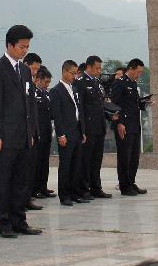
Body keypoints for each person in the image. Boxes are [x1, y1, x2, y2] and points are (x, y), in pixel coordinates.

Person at [0, 25, 41, 238]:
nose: (24, 50)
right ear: (9, 45)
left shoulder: (25, 71)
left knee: (21, 182)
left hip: (23, 137)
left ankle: (20, 221)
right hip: (4, 138)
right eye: (21, 46)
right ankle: (3, 223)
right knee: (2, 182)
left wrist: (32, 132)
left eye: (27, 47)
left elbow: (30, 104)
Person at [75, 55, 115, 199]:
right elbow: (80, 109)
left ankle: (96, 187)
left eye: (100, 68)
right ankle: (84, 189)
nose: (99, 71)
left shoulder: (97, 83)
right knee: (86, 160)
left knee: (96, 160)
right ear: (89, 67)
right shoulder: (80, 83)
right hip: (88, 128)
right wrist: (83, 130)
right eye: (97, 68)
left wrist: (110, 116)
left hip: (99, 127)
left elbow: (100, 106)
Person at [110, 58, 150, 196]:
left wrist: (145, 103)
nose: (139, 75)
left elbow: (134, 103)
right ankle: (124, 186)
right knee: (124, 157)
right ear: (131, 69)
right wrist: (119, 123)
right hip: (124, 125)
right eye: (138, 72)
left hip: (134, 125)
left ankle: (131, 182)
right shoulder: (119, 83)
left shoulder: (133, 84)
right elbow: (115, 105)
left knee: (134, 157)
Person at [49, 60, 86, 206]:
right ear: (64, 71)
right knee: (66, 166)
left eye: (76, 73)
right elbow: (57, 115)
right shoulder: (56, 91)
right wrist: (60, 134)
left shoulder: (75, 89)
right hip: (66, 133)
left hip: (77, 131)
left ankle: (74, 193)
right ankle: (64, 195)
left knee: (76, 165)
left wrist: (82, 130)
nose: (74, 76)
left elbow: (79, 111)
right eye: (72, 73)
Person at [21, 53, 43, 211]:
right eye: (34, 68)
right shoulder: (20, 80)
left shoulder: (31, 83)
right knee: (22, 168)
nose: (35, 72)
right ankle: (21, 199)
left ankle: (27, 197)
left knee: (30, 168)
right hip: (21, 133)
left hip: (32, 132)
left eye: (37, 69)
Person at [31, 67, 54, 199]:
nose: (47, 85)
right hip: (37, 132)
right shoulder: (33, 93)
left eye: (49, 82)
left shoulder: (46, 94)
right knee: (36, 162)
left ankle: (43, 186)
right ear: (37, 80)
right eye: (45, 82)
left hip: (46, 132)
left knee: (44, 162)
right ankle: (35, 189)